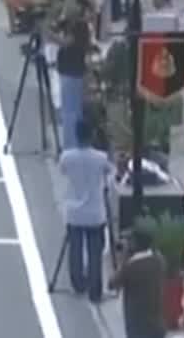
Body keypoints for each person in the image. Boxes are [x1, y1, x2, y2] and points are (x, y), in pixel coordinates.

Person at [59, 120, 115, 302]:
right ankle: (95, 290)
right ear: (91, 135)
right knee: (95, 253)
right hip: (95, 212)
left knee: (75, 249)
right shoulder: (100, 158)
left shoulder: (67, 157)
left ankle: (78, 282)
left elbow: (63, 171)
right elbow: (111, 174)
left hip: (74, 213)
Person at [110, 227, 166, 338]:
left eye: (129, 241)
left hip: (137, 324)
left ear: (135, 244)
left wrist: (123, 259)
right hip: (156, 322)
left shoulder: (130, 266)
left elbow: (112, 284)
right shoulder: (158, 260)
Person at [55, 0, 91, 150]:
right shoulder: (68, 23)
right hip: (68, 70)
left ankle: (71, 145)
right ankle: (71, 143)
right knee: (70, 109)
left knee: (71, 111)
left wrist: (48, 34)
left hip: (73, 71)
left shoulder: (79, 26)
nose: (66, 8)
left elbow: (66, 42)